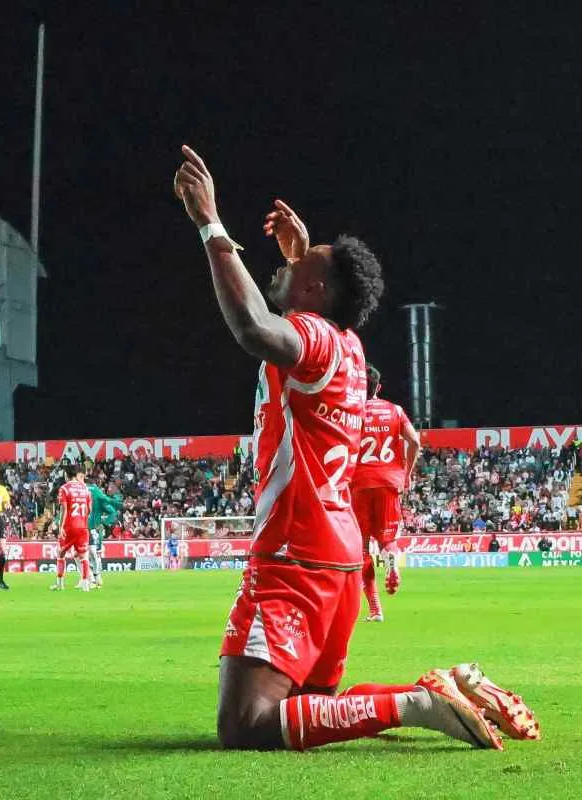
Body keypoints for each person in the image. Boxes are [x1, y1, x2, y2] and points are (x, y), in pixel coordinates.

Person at [174, 144, 537, 751]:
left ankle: (417, 702)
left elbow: (254, 326)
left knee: (247, 724)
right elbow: (305, 305)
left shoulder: (314, 336)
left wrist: (210, 224)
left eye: (299, 266)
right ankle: (444, 689)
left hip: (293, 552)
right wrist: (301, 260)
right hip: (339, 559)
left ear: (315, 289)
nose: (283, 267)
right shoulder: (349, 347)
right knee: (307, 711)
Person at [350, 364, 420, 622]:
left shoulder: (351, 412)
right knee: (387, 540)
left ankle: (375, 609)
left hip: (359, 483)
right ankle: (391, 562)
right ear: (379, 387)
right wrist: (407, 473)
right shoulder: (395, 410)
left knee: (361, 549)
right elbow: (415, 442)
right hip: (389, 481)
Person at [49, 465, 93, 591]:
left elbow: (64, 508)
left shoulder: (64, 488)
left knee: (61, 553)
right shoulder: (86, 489)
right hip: (82, 527)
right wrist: (83, 519)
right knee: (84, 556)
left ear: (66, 475)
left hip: (69, 526)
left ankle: (60, 584)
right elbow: (90, 509)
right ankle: (86, 584)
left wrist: (61, 527)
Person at [87, 479, 124, 587]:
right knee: (88, 555)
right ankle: (92, 578)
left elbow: (113, 513)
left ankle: (96, 577)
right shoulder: (97, 497)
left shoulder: (100, 500)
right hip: (88, 529)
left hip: (93, 530)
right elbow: (113, 511)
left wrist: (104, 522)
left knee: (93, 554)